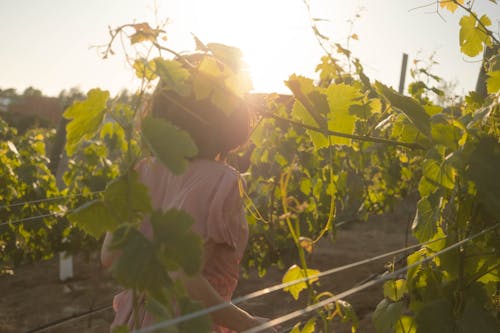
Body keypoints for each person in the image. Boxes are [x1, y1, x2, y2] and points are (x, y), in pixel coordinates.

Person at [101, 54, 277, 333]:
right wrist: (250, 325)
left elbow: (109, 255)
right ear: (229, 114)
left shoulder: (141, 171)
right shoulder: (221, 180)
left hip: (133, 322)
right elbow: (183, 280)